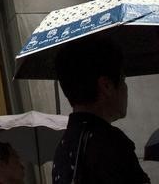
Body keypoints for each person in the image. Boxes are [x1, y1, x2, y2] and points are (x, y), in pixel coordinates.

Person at [52, 36, 150, 183]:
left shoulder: (63, 149)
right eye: (123, 79)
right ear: (106, 86)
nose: (126, 88)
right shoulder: (110, 143)